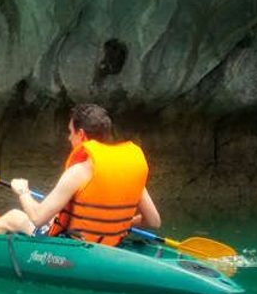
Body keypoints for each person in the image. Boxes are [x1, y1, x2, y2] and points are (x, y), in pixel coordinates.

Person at [10, 103, 160, 244]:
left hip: (75, 247)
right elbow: (154, 221)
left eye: (71, 132)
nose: (69, 138)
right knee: (51, 217)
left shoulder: (79, 171)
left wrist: (23, 191)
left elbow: (37, 218)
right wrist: (124, 223)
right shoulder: (126, 171)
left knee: (13, 217)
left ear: (81, 134)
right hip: (111, 244)